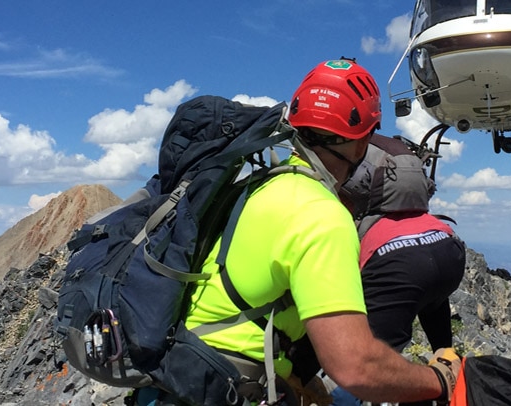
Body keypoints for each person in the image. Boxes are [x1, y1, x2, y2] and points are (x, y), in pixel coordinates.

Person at [177, 59, 461, 405]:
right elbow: (358, 368)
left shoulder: (259, 187)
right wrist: (437, 380)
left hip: (186, 368)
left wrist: (301, 380)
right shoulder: (324, 215)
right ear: (362, 144)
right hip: (229, 386)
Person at [329, 134, 468, 406]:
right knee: (430, 300)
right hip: (448, 250)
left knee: (363, 368)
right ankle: (457, 381)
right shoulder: (416, 212)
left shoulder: (357, 217)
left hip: (399, 265)